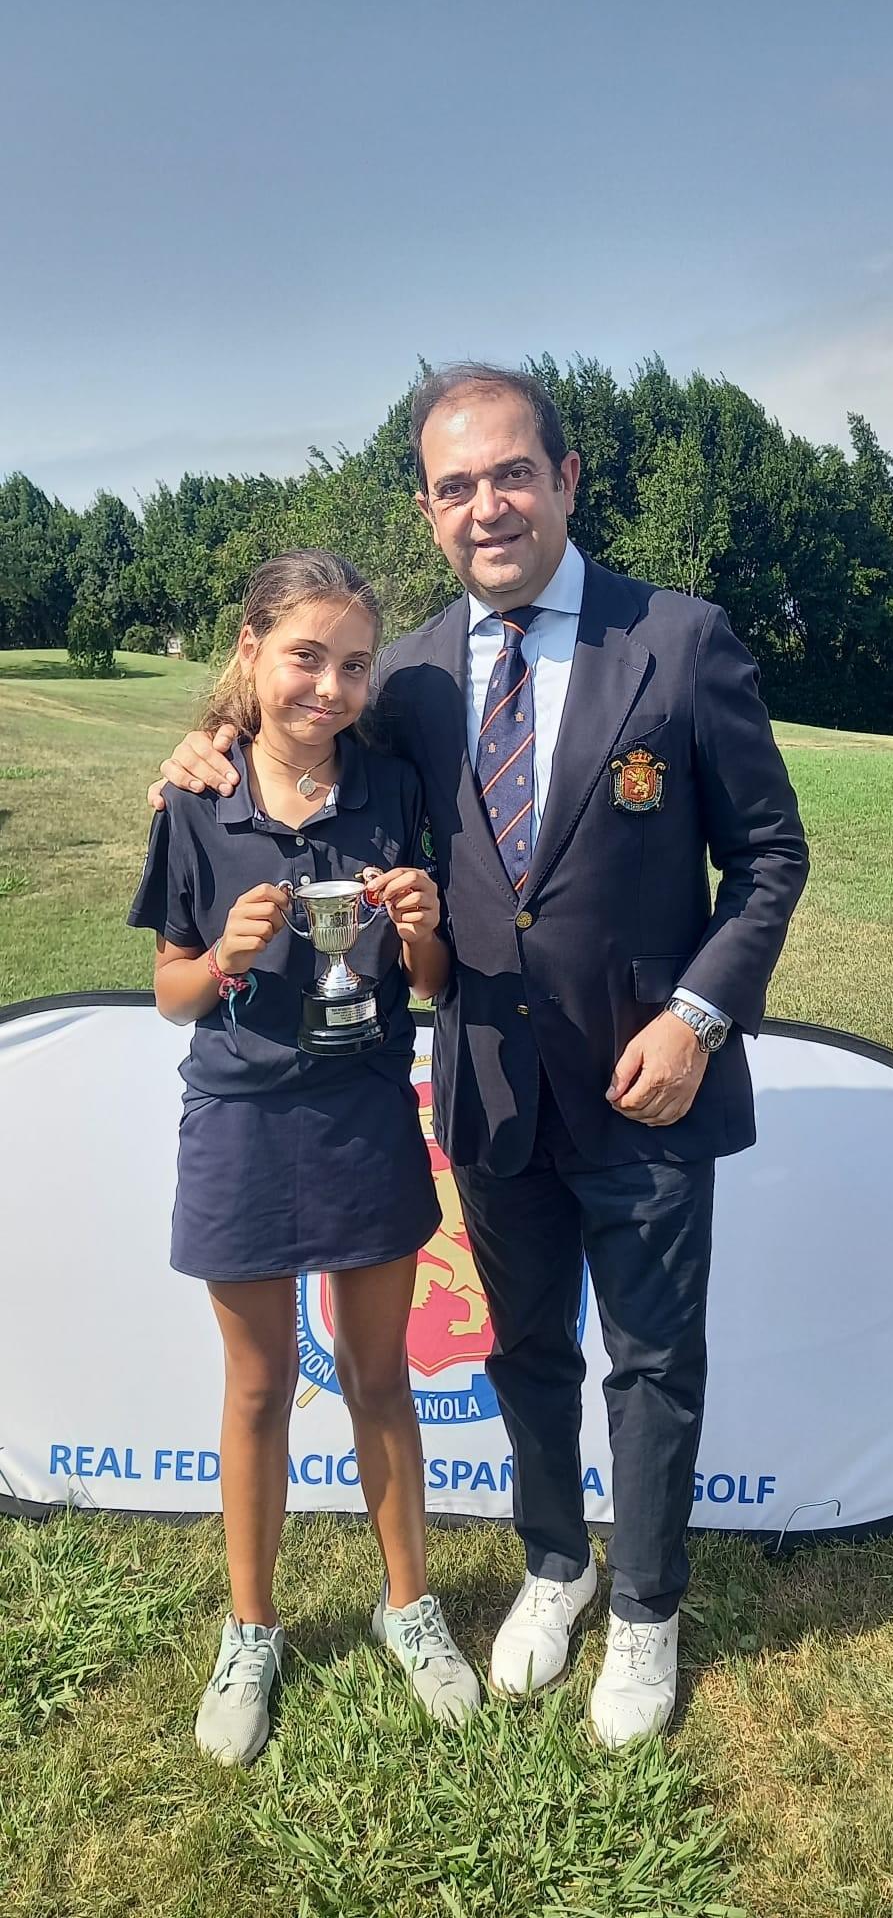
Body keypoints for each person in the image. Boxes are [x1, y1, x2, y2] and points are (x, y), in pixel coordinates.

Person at [150, 366, 809, 1749]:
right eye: (456, 486)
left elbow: (767, 860)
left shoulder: (679, 642)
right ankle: (555, 1569)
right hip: (489, 1087)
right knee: (523, 1355)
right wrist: (202, 748)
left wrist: (699, 1022)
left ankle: (646, 1612)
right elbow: (294, 731)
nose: (487, 505)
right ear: (429, 511)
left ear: (568, 479)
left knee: (651, 1363)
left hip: (648, 1084)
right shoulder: (412, 678)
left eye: (512, 473)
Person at [129, 548, 480, 1766]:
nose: (327, 685)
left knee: (382, 1378)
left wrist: (427, 933)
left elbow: (428, 987)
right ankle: (253, 1627)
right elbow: (172, 991)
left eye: (351, 663)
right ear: (250, 653)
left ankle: (411, 1607)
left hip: (365, 1115)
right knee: (261, 1387)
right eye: (304, 657)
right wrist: (224, 952)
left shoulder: (390, 789)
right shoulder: (194, 798)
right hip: (237, 1117)